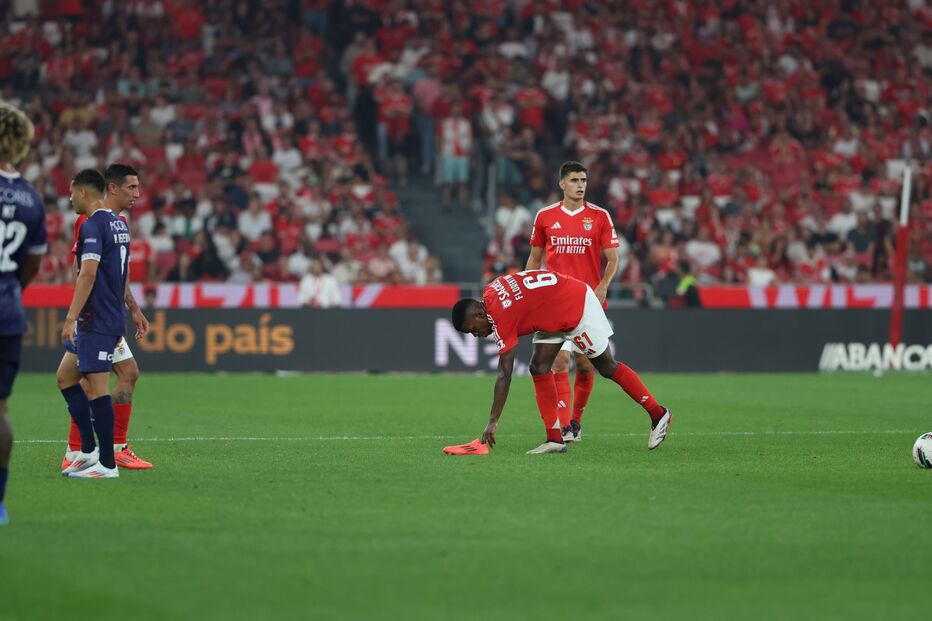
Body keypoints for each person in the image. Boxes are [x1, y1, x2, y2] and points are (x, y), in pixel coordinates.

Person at [447, 269, 671, 455]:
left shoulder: (499, 315)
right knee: (539, 367)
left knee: (607, 367)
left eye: (472, 330)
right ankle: (554, 438)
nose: (476, 335)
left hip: (577, 307)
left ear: (478, 314)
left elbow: (505, 374)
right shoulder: (490, 290)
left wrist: (492, 421)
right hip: (555, 311)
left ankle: (658, 414)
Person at [59, 164, 152, 472]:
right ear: (112, 188)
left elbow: (114, 273)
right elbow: (82, 271)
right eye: (132, 188)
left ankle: (101, 451)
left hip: (100, 314)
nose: (137, 194)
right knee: (84, 378)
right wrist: (79, 314)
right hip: (96, 315)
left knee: (121, 373)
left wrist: (134, 307)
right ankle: (84, 450)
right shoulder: (91, 222)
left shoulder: (112, 223)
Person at [525, 161, 619, 442]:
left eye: (584, 180)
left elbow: (613, 258)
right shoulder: (545, 216)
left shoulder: (600, 216)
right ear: (562, 184)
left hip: (588, 302)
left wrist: (604, 285)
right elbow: (534, 257)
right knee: (559, 361)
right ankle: (564, 426)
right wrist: (528, 289)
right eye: (575, 180)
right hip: (554, 302)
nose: (581, 185)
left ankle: (575, 422)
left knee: (587, 364)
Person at [0, 102, 48, 523]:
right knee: (0, 410)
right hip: (8, 312)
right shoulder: (32, 199)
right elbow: (31, 267)